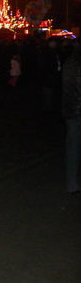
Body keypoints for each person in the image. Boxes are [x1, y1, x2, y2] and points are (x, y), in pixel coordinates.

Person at [61, 42, 81, 195]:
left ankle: (72, 183)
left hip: (71, 110)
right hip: (76, 109)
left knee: (72, 147)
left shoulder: (69, 62)